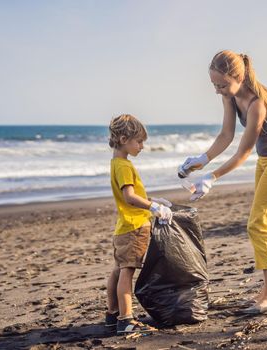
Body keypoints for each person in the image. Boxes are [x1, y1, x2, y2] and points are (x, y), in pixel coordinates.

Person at [178, 50, 267, 314]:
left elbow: (243, 152)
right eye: (214, 85)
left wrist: (212, 178)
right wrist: (202, 159)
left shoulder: (258, 103)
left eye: (221, 84)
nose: (218, 90)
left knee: (259, 223)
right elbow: (226, 135)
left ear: (239, 76)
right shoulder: (230, 96)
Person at [106, 114, 173, 334]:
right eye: (139, 141)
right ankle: (125, 320)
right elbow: (129, 197)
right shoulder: (125, 166)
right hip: (134, 227)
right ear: (124, 139)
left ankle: (112, 314)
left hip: (123, 226)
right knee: (127, 272)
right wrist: (152, 208)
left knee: (117, 271)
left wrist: (154, 200)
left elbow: (134, 196)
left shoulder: (116, 162)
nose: (142, 146)